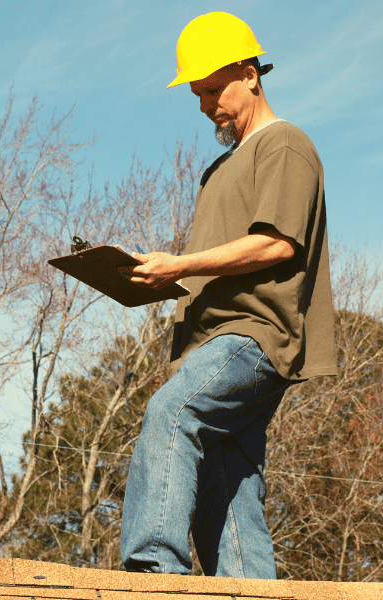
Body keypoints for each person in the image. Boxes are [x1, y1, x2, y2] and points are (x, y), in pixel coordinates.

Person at [118, 12, 336, 578]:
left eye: (214, 89)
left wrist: (181, 264)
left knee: (173, 412)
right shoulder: (220, 169)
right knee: (226, 475)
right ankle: (247, 587)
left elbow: (276, 245)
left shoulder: (284, 143)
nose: (205, 105)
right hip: (212, 338)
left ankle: (154, 571)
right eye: (197, 94)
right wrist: (149, 278)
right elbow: (219, 264)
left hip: (253, 334)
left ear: (250, 73)